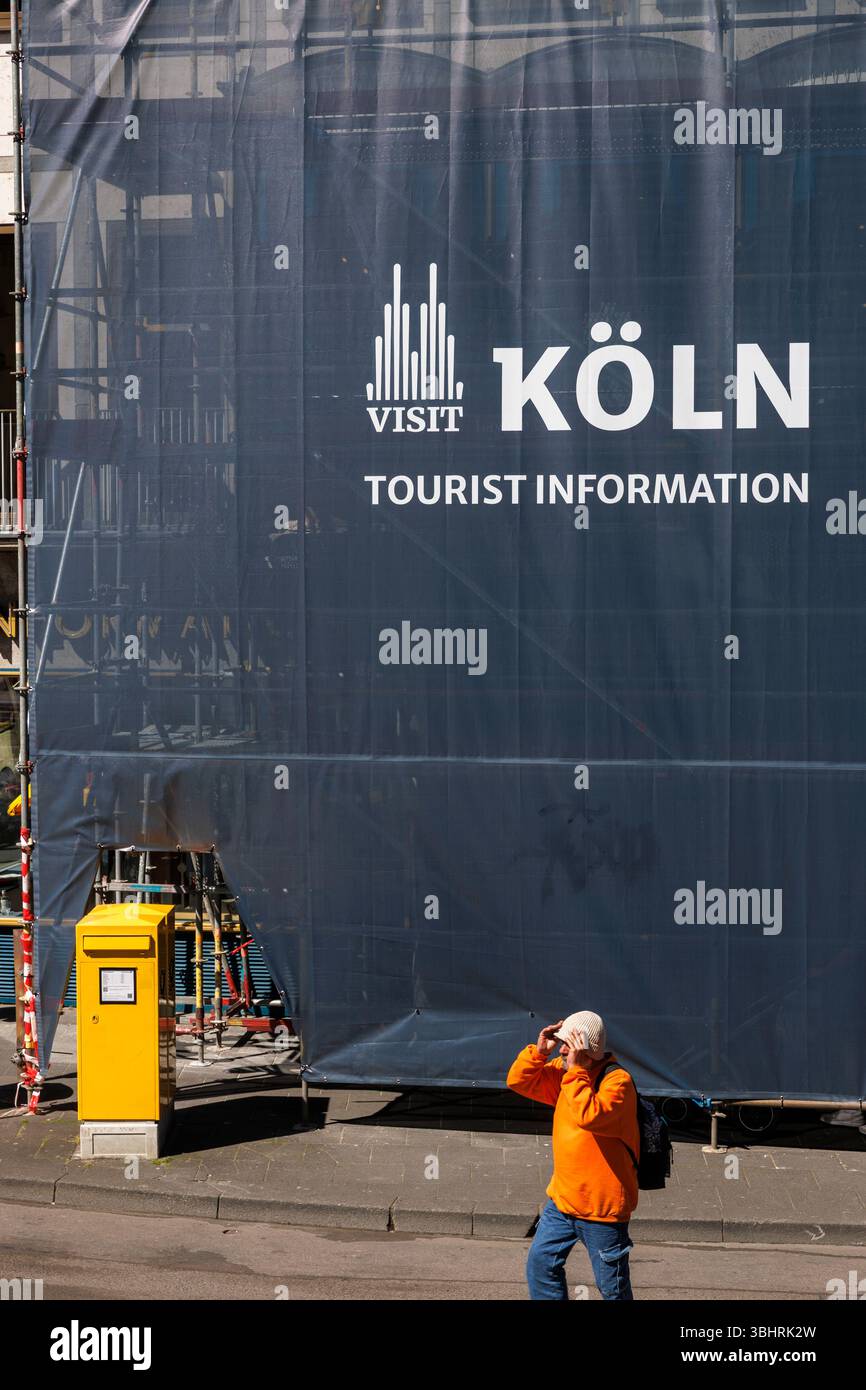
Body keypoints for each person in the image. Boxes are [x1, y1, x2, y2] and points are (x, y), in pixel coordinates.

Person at [507, 1009, 639, 1301]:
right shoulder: (567, 1074)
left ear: (587, 1050)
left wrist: (576, 1071)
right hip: (563, 1201)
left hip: (602, 1210)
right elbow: (519, 1082)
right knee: (541, 1267)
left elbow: (588, 1116)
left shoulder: (618, 1084)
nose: (562, 1049)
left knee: (612, 1289)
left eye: (568, 1043)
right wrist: (538, 1053)